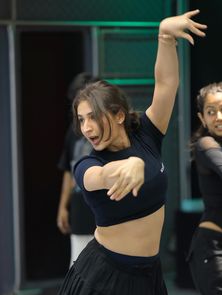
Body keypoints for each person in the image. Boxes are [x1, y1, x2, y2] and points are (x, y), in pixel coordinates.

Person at [58, 10, 206, 295]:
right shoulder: (88, 163)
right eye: (81, 119)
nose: (86, 127)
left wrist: (164, 37)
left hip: (149, 272)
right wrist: (132, 164)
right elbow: (100, 176)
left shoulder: (147, 134)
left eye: (93, 117)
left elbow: (166, 85)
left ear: (118, 115)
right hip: (105, 277)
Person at [188, 82, 222, 294]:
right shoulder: (206, 145)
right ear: (202, 119)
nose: (219, 117)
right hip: (216, 250)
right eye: (211, 112)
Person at [57, 73, 97, 267]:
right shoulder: (72, 133)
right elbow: (68, 169)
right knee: (79, 265)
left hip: (103, 205)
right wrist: (63, 207)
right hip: (80, 204)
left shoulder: (108, 130)